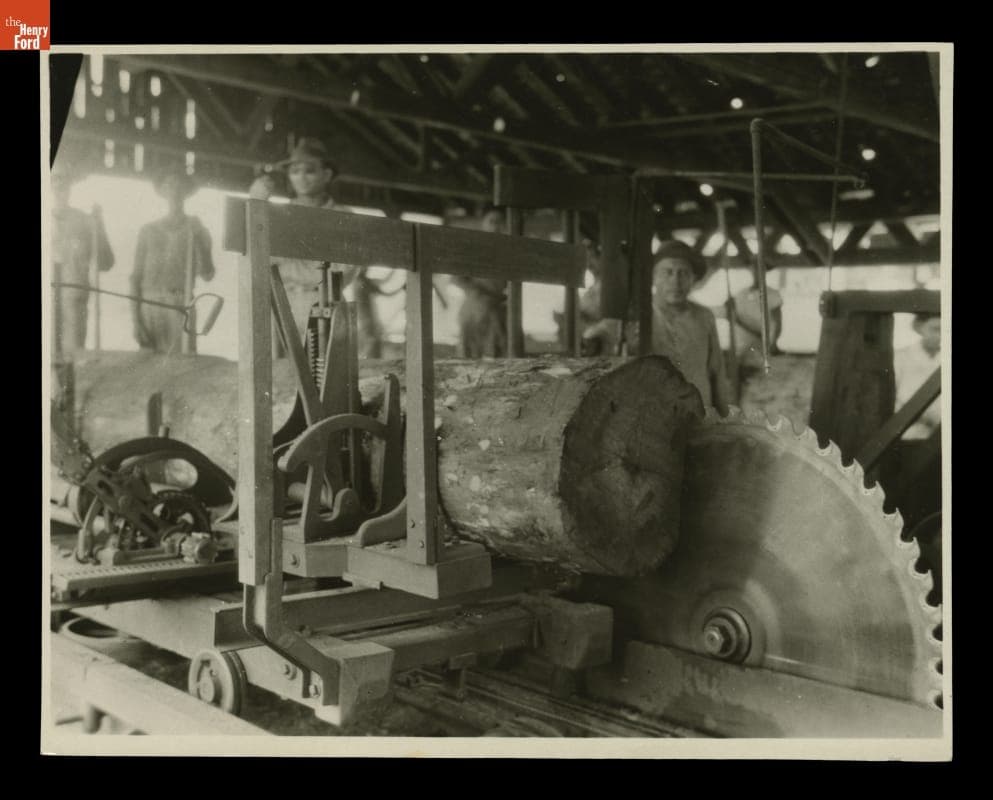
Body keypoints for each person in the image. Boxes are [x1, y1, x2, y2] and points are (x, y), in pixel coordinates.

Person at [584, 240, 731, 415]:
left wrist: (724, 417)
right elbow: (604, 332)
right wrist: (592, 339)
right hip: (655, 414)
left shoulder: (704, 316)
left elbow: (716, 371)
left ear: (693, 279)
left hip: (699, 412)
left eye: (683, 273)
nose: (675, 281)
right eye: (667, 272)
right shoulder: (639, 312)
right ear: (653, 277)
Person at [249, 138, 358, 358]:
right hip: (284, 303)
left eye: (309, 171)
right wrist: (257, 202)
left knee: (329, 377)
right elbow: (261, 261)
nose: (301, 177)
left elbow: (344, 271)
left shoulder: (344, 216)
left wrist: (290, 268)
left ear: (326, 175)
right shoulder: (278, 216)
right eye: (295, 171)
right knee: (281, 376)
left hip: (326, 303)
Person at [131, 171, 214, 353]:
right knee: (147, 371)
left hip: (180, 304)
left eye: (179, 184)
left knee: (181, 371)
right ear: (161, 190)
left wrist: (199, 239)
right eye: (168, 184)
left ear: (187, 191)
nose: (174, 189)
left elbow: (208, 274)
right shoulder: (148, 230)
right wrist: (136, 321)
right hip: (150, 305)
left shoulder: (197, 229)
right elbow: (135, 277)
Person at [51, 168, 115, 356]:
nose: (59, 186)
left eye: (64, 181)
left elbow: (106, 263)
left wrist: (100, 226)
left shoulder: (85, 221)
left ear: (71, 185)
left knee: (73, 359)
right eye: (54, 180)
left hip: (74, 299)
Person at [453, 207, 508, 358]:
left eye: (499, 222)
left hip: (496, 309)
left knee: (497, 355)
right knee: (470, 355)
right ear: (483, 224)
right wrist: (478, 292)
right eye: (491, 222)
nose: (495, 226)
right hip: (475, 307)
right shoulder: (473, 248)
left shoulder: (506, 251)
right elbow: (456, 278)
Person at [894, 312, 941, 439]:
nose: (940, 336)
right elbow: (891, 398)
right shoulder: (900, 357)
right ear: (919, 327)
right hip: (908, 433)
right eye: (935, 329)